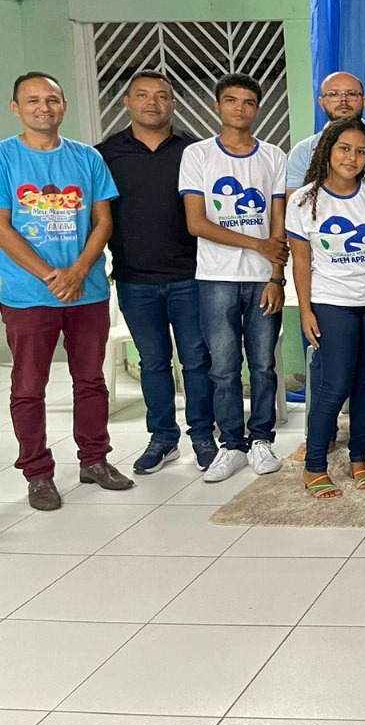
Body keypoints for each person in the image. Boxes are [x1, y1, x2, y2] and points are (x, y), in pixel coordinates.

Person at [0, 72, 132, 511]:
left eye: (52, 99)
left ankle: (94, 459)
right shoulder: (4, 157)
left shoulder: (87, 158)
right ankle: (37, 473)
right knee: (29, 386)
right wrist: (50, 276)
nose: (44, 107)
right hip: (28, 295)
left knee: (90, 381)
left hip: (86, 292)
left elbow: (103, 221)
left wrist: (76, 273)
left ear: (64, 106)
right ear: (16, 107)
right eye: (33, 100)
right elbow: (2, 227)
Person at [98, 69, 217, 474]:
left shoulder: (195, 151)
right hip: (135, 279)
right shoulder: (106, 154)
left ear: (173, 104)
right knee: (153, 362)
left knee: (197, 360)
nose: (153, 102)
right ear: (127, 102)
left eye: (162, 96)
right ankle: (163, 439)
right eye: (143, 95)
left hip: (191, 276)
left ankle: (203, 435)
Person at [286, 71, 365, 464]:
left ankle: (358, 459)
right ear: (327, 151)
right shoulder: (303, 200)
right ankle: (316, 462)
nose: (352, 158)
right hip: (331, 303)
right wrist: (305, 311)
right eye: (344, 149)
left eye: (361, 152)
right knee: (334, 384)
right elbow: (301, 261)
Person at [179, 72, 288, 483]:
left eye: (248, 102)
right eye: (231, 100)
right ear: (217, 105)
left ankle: (261, 439)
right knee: (223, 367)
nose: (240, 108)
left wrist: (276, 276)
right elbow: (196, 223)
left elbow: (277, 224)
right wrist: (257, 244)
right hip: (215, 277)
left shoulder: (273, 156)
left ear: (257, 109)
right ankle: (231, 444)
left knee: (263, 364)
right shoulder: (197, 155)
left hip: (263, 279)